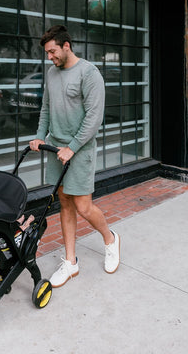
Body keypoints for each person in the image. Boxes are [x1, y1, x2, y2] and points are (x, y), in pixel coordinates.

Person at [29, 25, 120, 288]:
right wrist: (40, 136)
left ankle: (110, 239)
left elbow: (94, 118)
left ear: (66, 46)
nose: (50, 57)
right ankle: (70, 262)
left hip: (79, 150)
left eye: (53, 51)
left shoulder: (89, 73)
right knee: (65, 203)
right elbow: (46, 107)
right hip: (56, 148)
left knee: (83, 206)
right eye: (47, 53)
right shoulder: (51, 73)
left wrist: (72, 146)